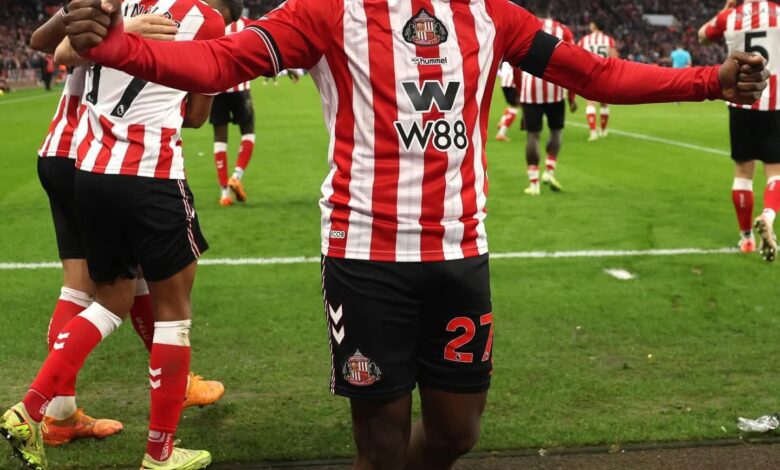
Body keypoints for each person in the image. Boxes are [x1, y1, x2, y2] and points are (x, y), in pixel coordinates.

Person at [58, 0, 767, 468]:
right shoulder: (326, 12)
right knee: (381, 445)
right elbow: (220, 62)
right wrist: (121, 48)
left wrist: (710, 81)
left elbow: (597, 75)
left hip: (460, 251)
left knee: (458, 432)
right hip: (366, 257)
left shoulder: (491, 14)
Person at [0, 0, 236, 469]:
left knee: (110, 300)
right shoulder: (207, 20)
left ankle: (32, 408)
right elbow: (196, 116)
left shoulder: (118, 5)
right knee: (173, 314)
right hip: (153, 175)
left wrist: (121, 31)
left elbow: (59, 49)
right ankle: (159, 454)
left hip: (90, 170)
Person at [699, 0, 780, 261]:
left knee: (743, 173)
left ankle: (746, 238)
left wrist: (726, 8)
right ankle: (768, 216)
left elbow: (702, 36)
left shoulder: (730, 16)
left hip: (740, 101)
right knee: (776, 172)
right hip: (775, 103)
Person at [517, 0, 577, 195]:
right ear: (550, 10)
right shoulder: (563, 30)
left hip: (530, 90)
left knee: (532, 135)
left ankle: (533, 183)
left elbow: (515, 63)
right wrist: (571, 97)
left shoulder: (524, 26)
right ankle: (549, 172)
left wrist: (519, 91)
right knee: (556, 131)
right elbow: (572, 63)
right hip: (555, 89)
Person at [212, 16, 256, 207]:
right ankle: (236, 176)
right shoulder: (247, 25)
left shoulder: (212, 23)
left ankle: (224, 193)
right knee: (248, 132)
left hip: (217, 90)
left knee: (220, 139)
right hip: (241, 89)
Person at [577, 17, 619, 141]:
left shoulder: (584, 40)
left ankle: (593, 132)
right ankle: (604, 130)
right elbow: (614, 58)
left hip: (590, 74)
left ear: (594, 25)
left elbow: (577, 56)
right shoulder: (608, 40)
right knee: (604, 103)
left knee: (590, 103)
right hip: (605, 74)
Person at [495, 61, 519, 141]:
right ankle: (501, 133)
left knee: (512, 105)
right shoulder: (517, 56)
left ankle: (502, 122)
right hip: (512, 83)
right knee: (515, 107)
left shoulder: (506, 57)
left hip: (504, 83)